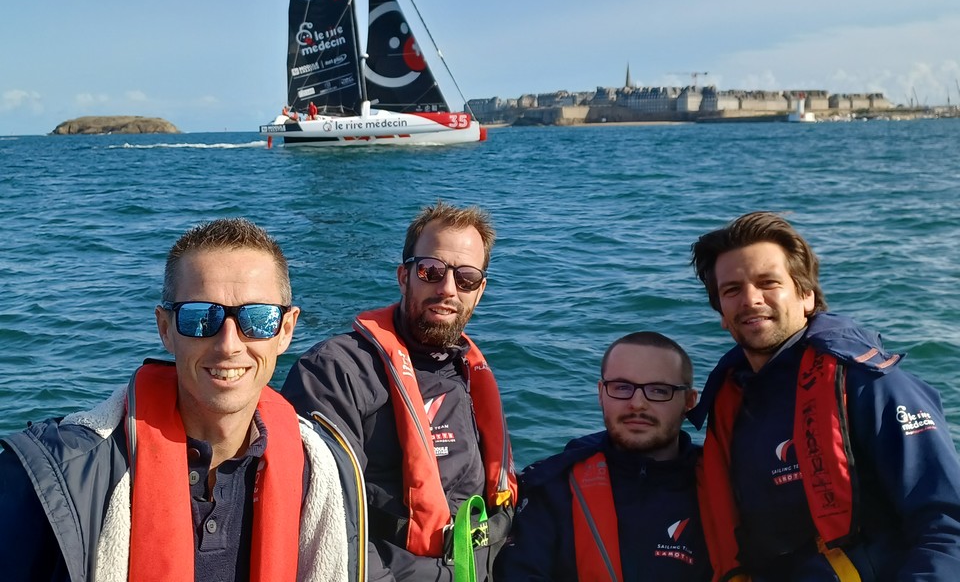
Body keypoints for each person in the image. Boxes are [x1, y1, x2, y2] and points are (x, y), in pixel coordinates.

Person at [0, 218, 365, 582]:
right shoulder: (54, 479)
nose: (229, 345)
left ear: (285, 330)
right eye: (200, 317)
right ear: (165, 329)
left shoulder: (322, 474)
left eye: (258, 318)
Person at [688, 211, 960, 581]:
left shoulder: (871, 385)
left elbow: (946, 525)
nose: (750, 299)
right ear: (721, 312)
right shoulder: (732, 403)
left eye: (768, 283)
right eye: (732, 290)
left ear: (807, 296)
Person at [282, 201, 517, 581]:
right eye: (431, 271)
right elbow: (323, 521)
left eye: (466, 279)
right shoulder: (336, 372)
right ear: (404, 276)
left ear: (480, 290)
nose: (448, 289)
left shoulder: (468, 373)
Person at [495, 332, 712, 581]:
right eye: (622, 387)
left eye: (659, 391)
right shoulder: (551, 488)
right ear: (601, 393)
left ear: (689, 402)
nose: (637, 403)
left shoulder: (724, 487)